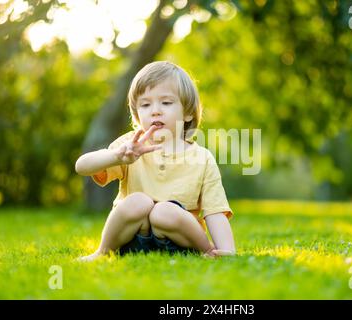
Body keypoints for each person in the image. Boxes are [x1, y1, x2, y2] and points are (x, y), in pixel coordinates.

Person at [75, 61, 235, 261]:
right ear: (137, 114)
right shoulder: (129, 146)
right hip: (132, 239)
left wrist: (228, 250)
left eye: (166, 103)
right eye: (145, 104)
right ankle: (103, 252)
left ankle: (208, 250)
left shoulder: (202, 158)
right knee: (138, 201)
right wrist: (116, 156)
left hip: (178, 241)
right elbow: (81, 167)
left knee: (164, 211)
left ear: (187, 113)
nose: (155, 111)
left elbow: (215, 211)